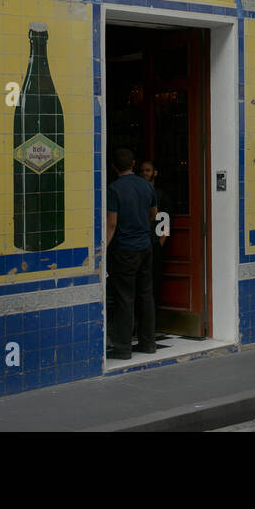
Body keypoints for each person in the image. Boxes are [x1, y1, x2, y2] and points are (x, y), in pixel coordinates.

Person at [106, 147, 157, 359]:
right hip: (145, 246)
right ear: (133, 164)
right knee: (146, 295)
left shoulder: (114, 189)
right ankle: (148, 343)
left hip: (125, 249)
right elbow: (153, 214)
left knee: (124, 298)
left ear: (113, 167)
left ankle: (123, 348)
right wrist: (142, 228)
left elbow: (112, 224)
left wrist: (103, 248)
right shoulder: (146, 186)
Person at [140, 160, 168, 334]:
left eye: (148, 170)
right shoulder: (138, 192)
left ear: (155, 173)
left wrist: (160, 243)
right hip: (141, 242)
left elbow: (165, 220)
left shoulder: (160, 195)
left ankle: (153, 325)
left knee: (153, 285)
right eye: (142, 170)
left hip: (153, 244)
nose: (145, 173)